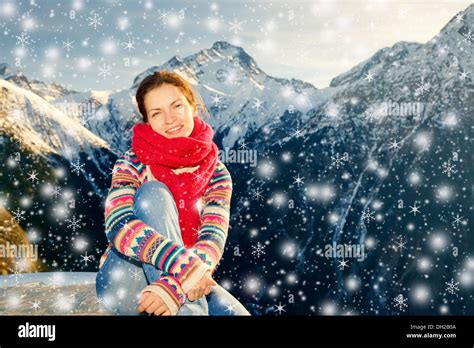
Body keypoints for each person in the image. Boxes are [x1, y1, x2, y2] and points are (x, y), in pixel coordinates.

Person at [95, 71, 250, 316]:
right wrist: (183, 268)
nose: (169, 120)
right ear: (148, 122)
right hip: (126, 279)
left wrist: (173, 287)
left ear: (193, 107)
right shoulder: (132, 163)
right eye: (157, 113)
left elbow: (212, 241)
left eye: (177, 106)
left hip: (184, 283)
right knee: (154, 193)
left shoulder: (217, 173)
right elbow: (118, 224)